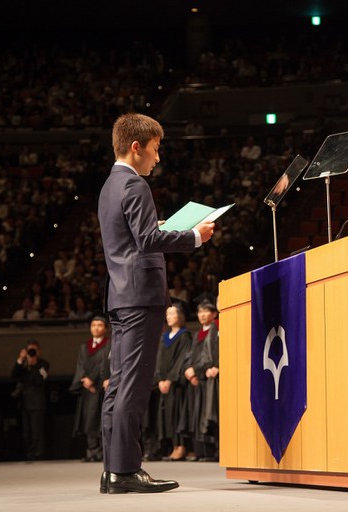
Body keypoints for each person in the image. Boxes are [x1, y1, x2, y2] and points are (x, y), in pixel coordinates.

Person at [97, 113, 214, 494]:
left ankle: (113, 469)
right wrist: (193, 237)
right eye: (155, 148)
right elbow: (147, 240)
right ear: (137, 147)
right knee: (133, 385)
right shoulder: (135, 184)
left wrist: (161, 228)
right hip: (139, 296)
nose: (158, 157)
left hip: (121, 295)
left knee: (120, 384)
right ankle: (125, 471)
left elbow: (133, 237)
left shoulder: (110, 185)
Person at [181, 300, 219, 462]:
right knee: (198, 416)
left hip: (209, 379)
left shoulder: (216, 330)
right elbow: (191, 356)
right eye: (199, 312)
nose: (202, 315)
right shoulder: (197, 334)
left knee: (210, 414)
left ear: (214, 314)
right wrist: (189, 370)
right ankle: (201, 451)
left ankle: (214, 451)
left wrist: (199, 370)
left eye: (206, 311)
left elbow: (210, 356)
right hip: (198, 380)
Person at [69, 316, 111, 463]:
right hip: (87, 389)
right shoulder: (84, 347)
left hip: (101, 388)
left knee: (100, 419)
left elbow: (103, 366)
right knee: (88, 420)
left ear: (105, 328)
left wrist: (93, 381)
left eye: (100, 325)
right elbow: (80, 366)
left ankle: (102, 453)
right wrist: (84, 381)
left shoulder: (109, 345)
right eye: (93, 325)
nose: (96, 328)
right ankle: (91, 451)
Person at [155, 304, 192, 461]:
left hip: (176, 384)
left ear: (180, 316)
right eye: (167, 314)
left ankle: (181, 446)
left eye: (172, 313)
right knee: (167, 415)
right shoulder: (164, 337)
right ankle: (173, 446)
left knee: (178, 414)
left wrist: (170, 379)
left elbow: (182, 359)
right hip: (164, 383)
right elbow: (158, 360)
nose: (168, 317)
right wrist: (159, 379)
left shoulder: (184, 336)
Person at [11, 339, 50, 461]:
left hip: (37, 403)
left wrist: (33, 365)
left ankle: (38, 455)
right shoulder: (23, 365)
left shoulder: (43, 364)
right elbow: (14, 375)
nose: (32, 352)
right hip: (24, 403)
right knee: (26, 432)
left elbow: (38, 380)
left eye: (34, 350)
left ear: (39, 351)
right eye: (30, 350)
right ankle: (29, 454)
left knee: (36, 431)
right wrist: (21, 359)